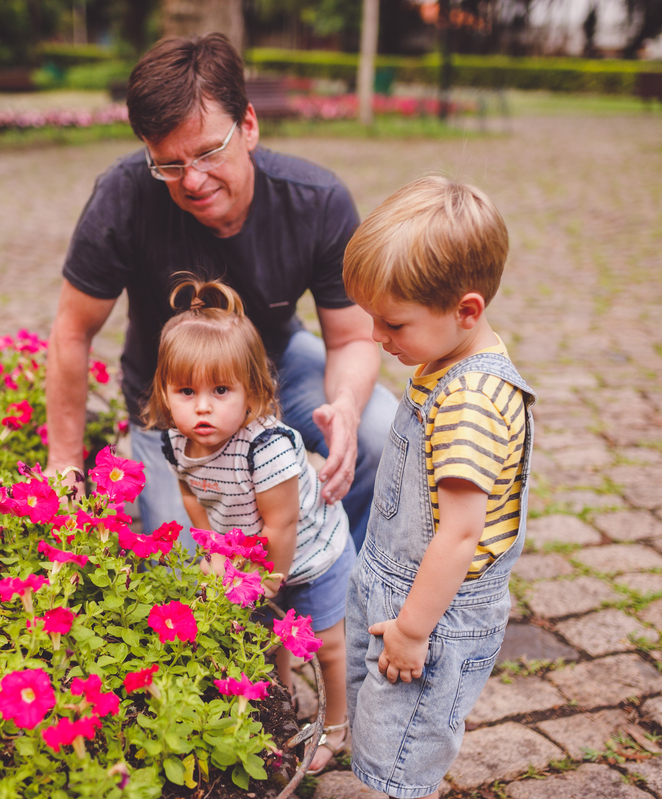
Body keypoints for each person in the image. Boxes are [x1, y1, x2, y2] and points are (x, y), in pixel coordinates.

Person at [44, 33, 398, 551]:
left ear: (248, 125)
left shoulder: (316, 201)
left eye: (209, 153)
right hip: (172, 399)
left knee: (381, 435)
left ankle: (345, 576)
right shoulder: (123, 195)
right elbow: (72, 332)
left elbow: (351, 338)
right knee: (188, 561)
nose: (192, 181)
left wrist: (345, 406)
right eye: (169, 164)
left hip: (276, 367)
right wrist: (64, 464)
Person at [340, 176, 537, 799]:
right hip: (394, 586)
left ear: (466, 311)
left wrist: (411, 630)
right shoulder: (443, 358)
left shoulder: (470, 401)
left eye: (393, 322)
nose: (377, 336)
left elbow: (459, 533)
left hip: (431, 613)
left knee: (403, 749)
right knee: (377, 726)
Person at [144, 277, 352, 774]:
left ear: (252, 391)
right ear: (165, 392)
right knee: (266, 642)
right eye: (186, 391)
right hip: (251, 559)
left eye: (220, 390)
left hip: (310, 554)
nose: (202, 406)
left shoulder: (266, 447)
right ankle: (282, 706)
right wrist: (214, 548)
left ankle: (335, 724)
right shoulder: (177, 443)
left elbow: (281, 524)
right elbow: (192, 493)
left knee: (326, 645)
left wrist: (270, 582)